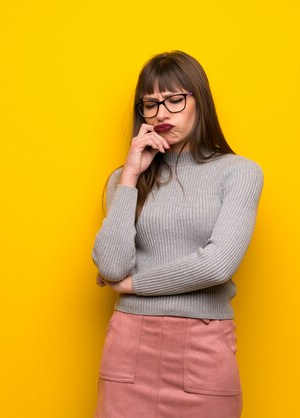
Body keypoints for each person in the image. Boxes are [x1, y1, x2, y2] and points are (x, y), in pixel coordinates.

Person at [91, 50, 264, 418]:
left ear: (199, 101)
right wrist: (131, 176)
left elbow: (217, 265)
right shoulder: (124, 180)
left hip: (202, 348)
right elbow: (110, 266)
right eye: (150, 104)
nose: (161, 114)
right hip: (129, 346)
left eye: (174, 99)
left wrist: (134, 285)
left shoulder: (239, 173)